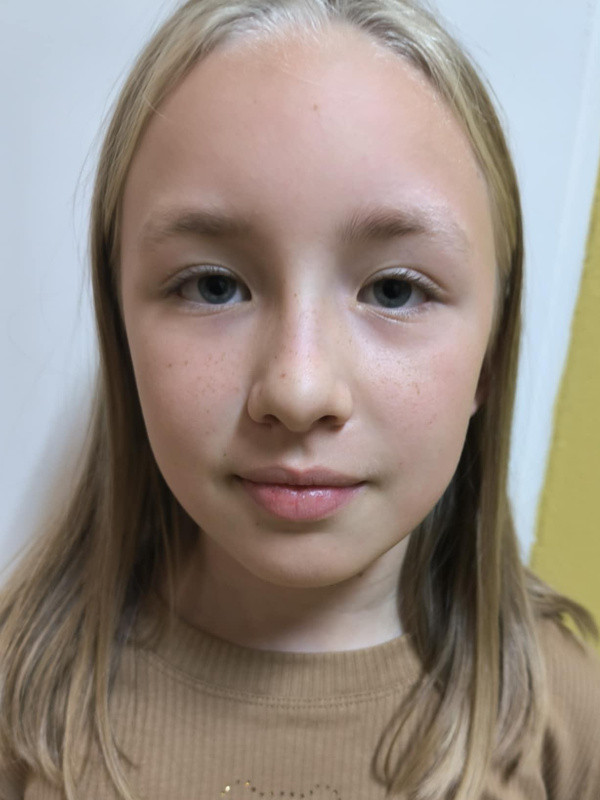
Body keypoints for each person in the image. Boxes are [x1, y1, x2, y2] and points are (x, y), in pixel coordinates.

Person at [1, 0, 599, 798]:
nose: (298, 388)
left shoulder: (570, 725)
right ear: (121, 333)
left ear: (490, 355)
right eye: (213, 286)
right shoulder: (17, 696)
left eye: (394, 289)